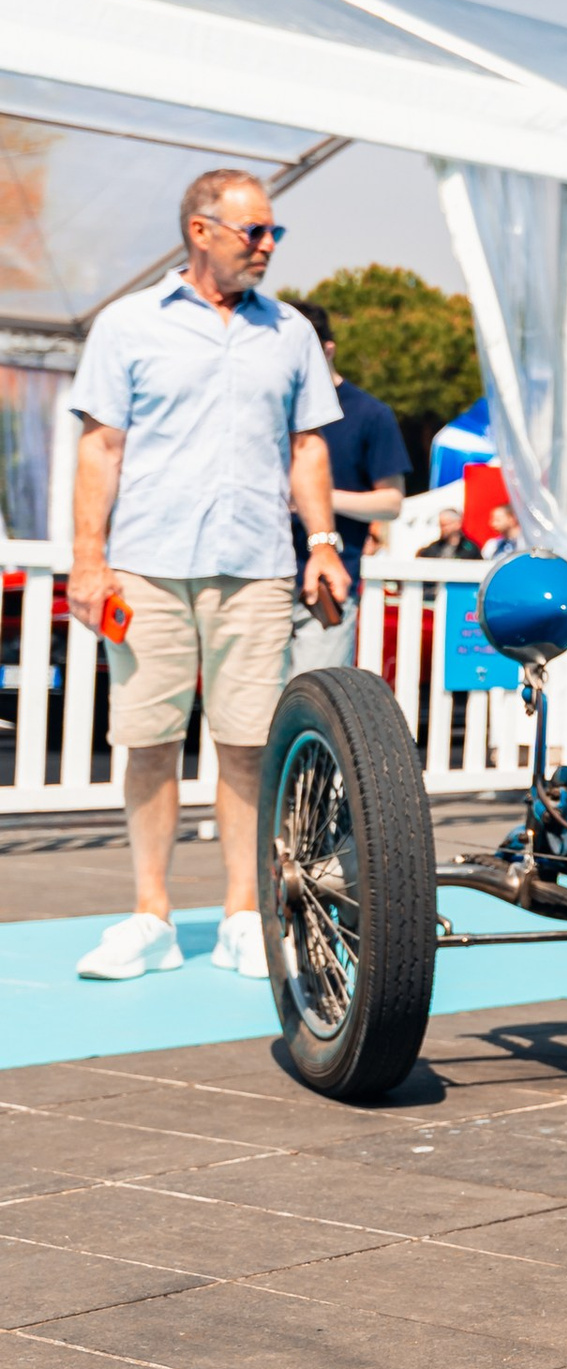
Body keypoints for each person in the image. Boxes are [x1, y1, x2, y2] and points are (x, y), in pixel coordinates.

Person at [66, 169, 347, 980]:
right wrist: (87, 559)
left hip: (256, 568)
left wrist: (323, 541)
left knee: (247, 745)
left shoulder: (289, 332)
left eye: (273, 232)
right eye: (253, 231)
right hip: (146, 570)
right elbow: (101, 447)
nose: (267, 246)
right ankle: (150, 917)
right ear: (201, 230)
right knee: (149, 742)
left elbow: (308, 447)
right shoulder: (127, 324)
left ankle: (242, 916)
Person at [281, 298, 408, 673]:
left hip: (328, 586)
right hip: (257, 580)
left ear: (328, 350)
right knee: (253, 704)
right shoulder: (268, 404)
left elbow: (391, 502)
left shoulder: (371, 414)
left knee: (315, 698)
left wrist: (316, 496)